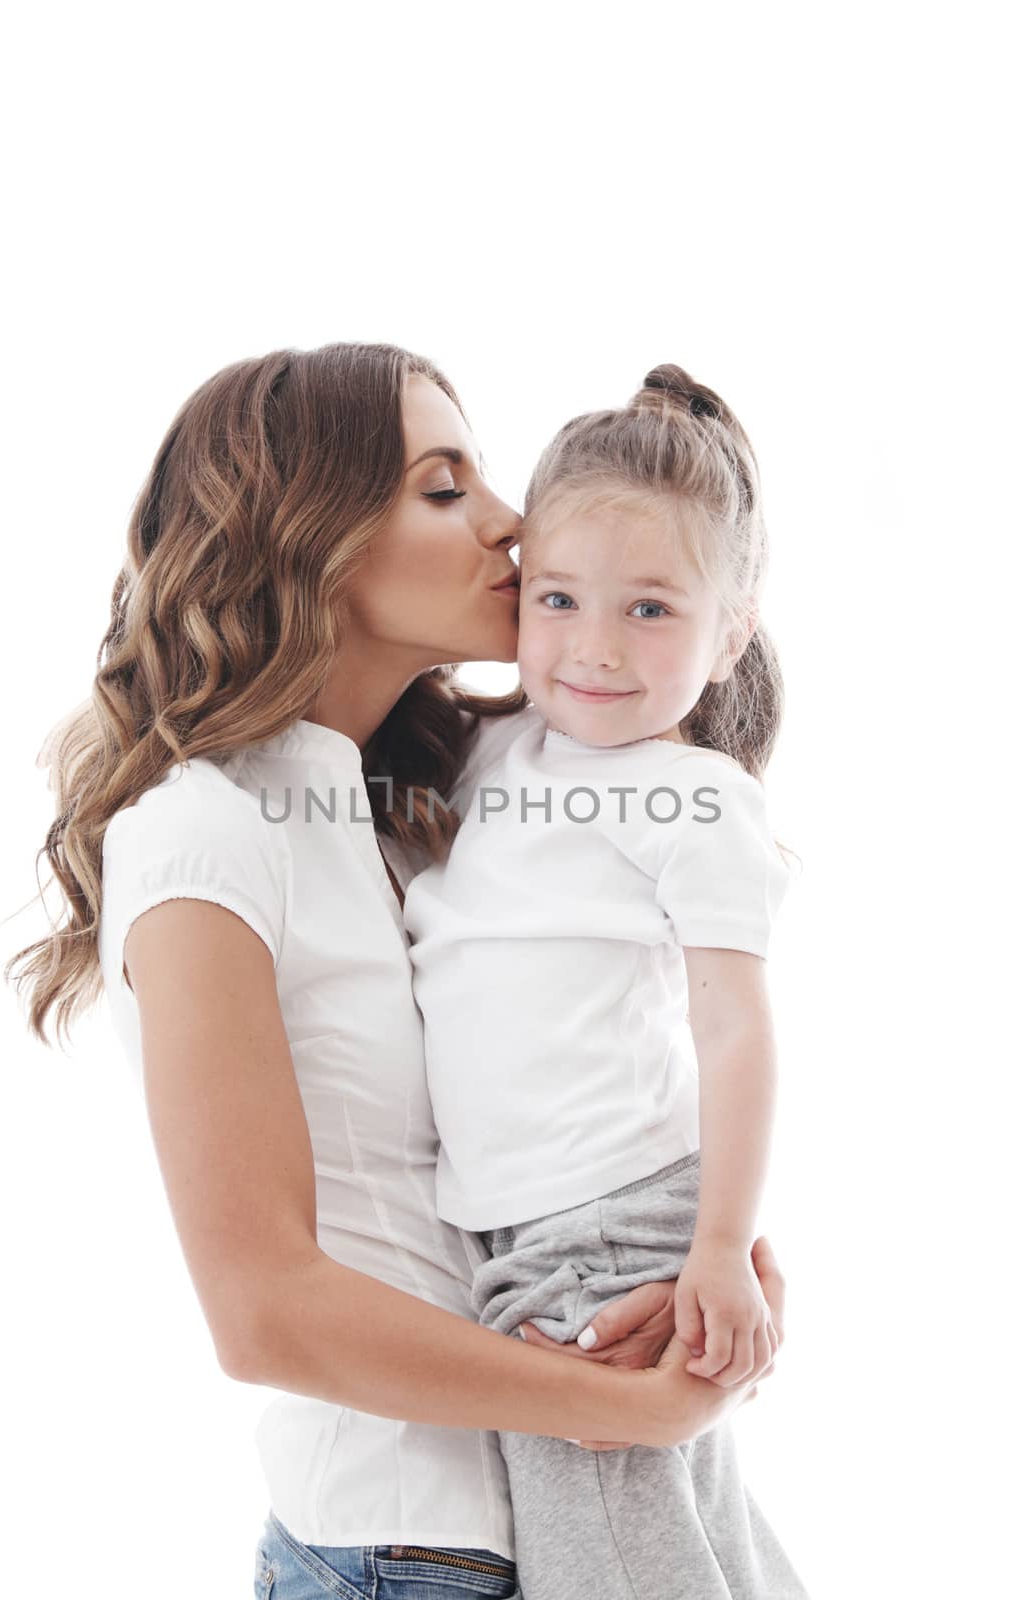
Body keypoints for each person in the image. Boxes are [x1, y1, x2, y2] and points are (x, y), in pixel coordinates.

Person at [5, 344, 786, 1599]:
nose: (509, 523)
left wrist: (703, 1255)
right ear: (307, 533)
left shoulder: (415, 807)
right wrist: (627, 1407)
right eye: (444, 486)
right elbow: (264, 1312)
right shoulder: (203, 832)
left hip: (529, 1525)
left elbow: (547, 1089)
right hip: (401, 1548)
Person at [402, 364, 811, 1598]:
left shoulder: (694, 799)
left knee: (609, 1560)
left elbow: (734, 1029)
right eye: (561, 598)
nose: (589, 648)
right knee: (667, 1529)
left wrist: (722, 1248)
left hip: (602, 1216)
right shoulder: (491, 746)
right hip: (521, 1216)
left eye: (648, 611)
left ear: (728, 627)